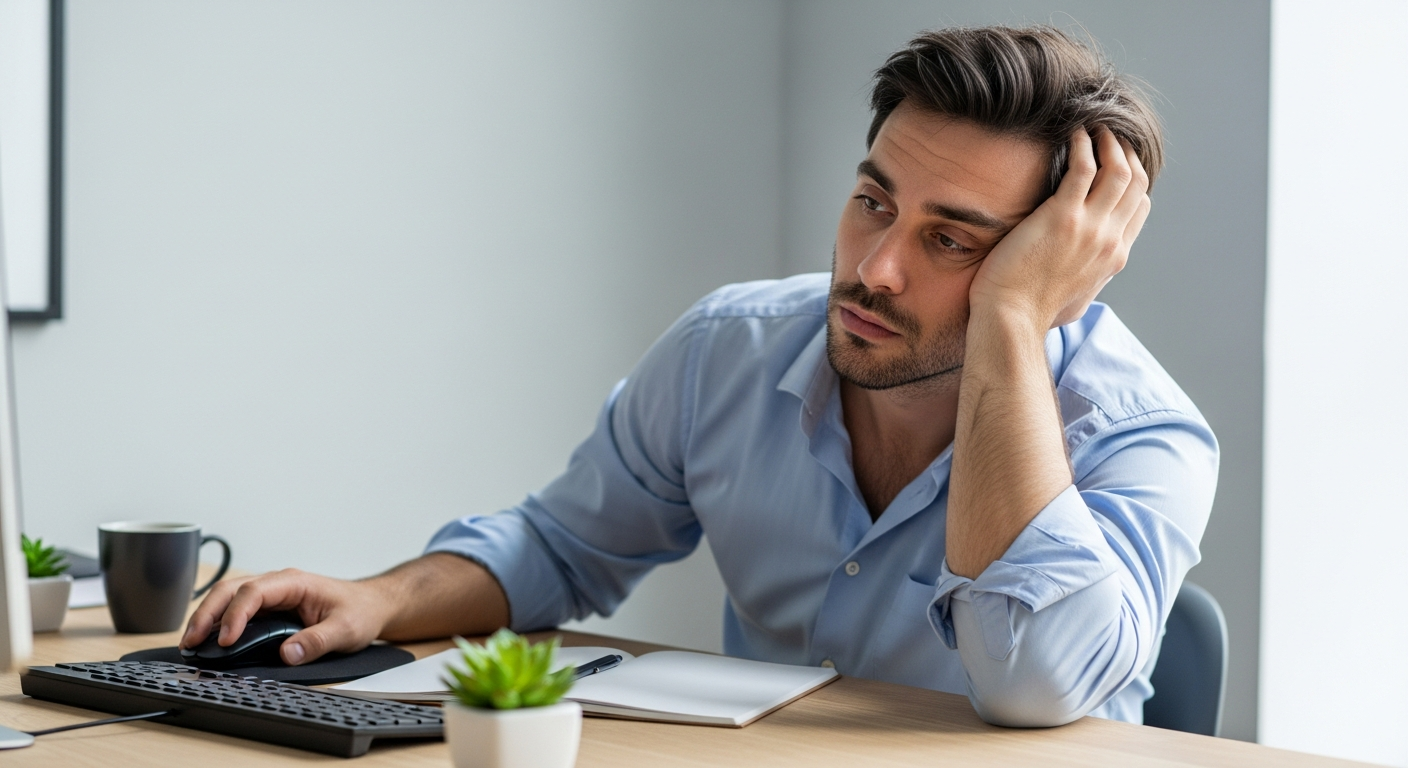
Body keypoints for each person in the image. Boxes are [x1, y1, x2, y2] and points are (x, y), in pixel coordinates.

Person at [181, 25, 1217, 727]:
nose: (873, 268)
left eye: (953, 241)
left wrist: (1007, 324)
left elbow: (1034, 689)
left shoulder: (1140, 435)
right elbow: (563, 545)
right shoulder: (728, 349)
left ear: (1059, 266)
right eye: (873, 200)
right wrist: (377, 598)